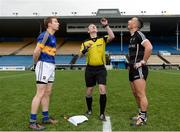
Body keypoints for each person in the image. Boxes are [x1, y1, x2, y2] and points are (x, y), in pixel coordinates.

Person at [79, 18, 115, 121]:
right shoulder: (85, 42)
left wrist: (106, 25)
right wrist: (86, 49)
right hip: (90, 69)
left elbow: (112, 36)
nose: (93, 27)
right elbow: (80, 55)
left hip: (101, 69)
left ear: (97, 30)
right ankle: (89, 109)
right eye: (91, 26)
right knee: (89, 91)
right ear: (88, 31)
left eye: (95, 26)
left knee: (102, 89)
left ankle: (102, 113)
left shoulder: (102, 39)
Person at [29, 16, 59, 130]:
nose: (58, 23)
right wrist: (36, 64)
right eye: (56, 21)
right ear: (49, 24)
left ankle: (45, 118)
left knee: (47, 92)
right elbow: (36, 51)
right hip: (43, 65)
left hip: (51, 65)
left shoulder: (53, 37)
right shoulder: (44, 35)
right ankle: (32, 122)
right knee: (40, 93)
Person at [127, 17, 153, 126]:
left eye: (131, 20)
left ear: (136, 24)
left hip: (139, 69)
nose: (128, 21)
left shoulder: (139, 34)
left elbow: (149, 47)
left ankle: (143, 118)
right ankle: (140, 114)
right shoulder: (132, 37)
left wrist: (143, 62)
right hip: (132, 69)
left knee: (141, 94)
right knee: (135, 93)